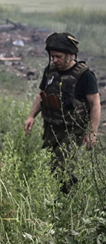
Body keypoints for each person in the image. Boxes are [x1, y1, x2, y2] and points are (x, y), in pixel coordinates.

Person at [24, 32, 101, 189]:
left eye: (58, 56)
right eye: (52, 56)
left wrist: (92, 132)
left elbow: (95, 104)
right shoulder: (50, 71)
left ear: (70, 55)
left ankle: (68, 197)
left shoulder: (85, 76)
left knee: (64, 168)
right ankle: (57, 196)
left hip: (72, 130)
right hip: (51, 127)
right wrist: (31, 116)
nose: (55, 60)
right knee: (52, 166)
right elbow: (41, 95)